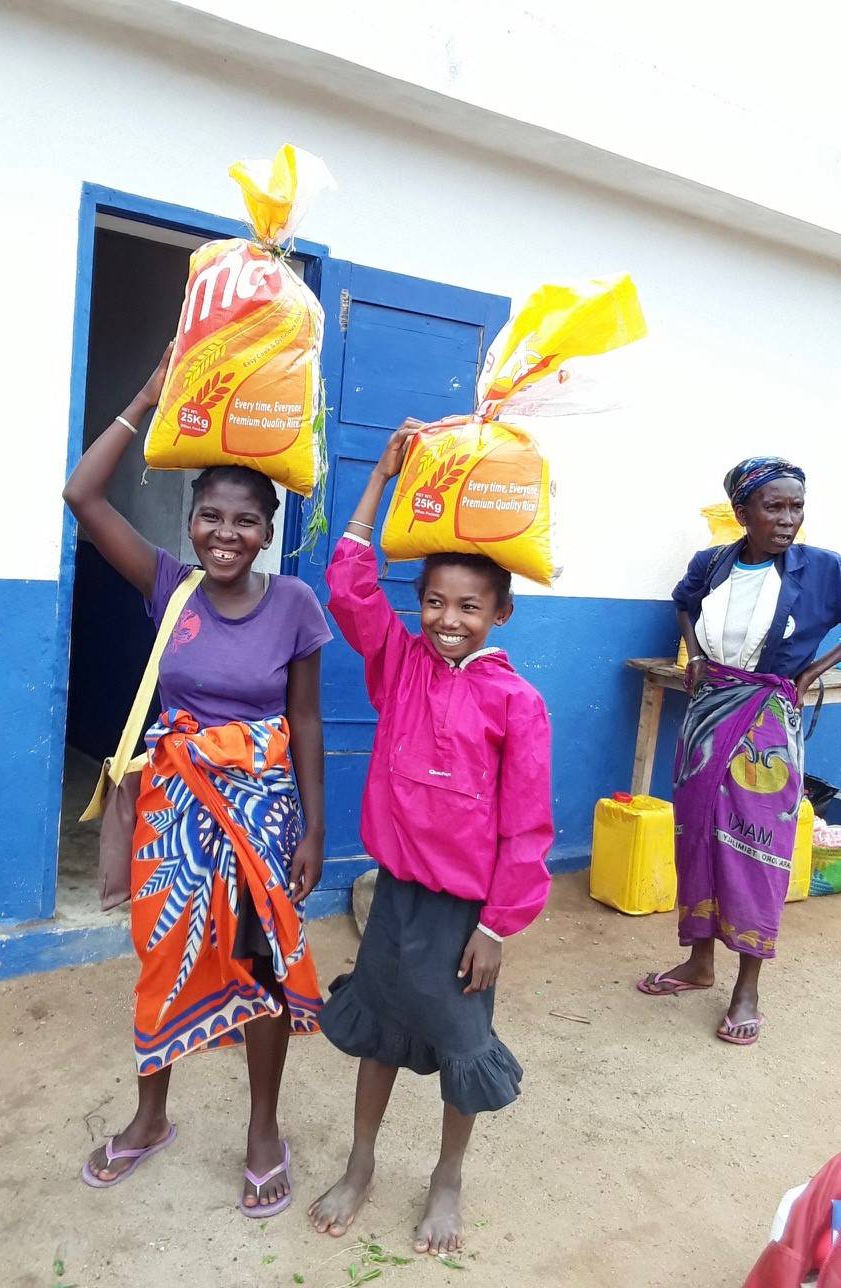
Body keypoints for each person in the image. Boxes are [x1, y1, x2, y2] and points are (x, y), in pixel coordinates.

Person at [63, 343, 332, 1213]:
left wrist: (318, 832)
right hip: (175, 813)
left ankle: (262, 1129)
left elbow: (307, 722)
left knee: (257, 967)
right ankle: (150, 1118)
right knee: (164, 955)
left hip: (261, 815)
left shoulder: (293, 603)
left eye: (245, 521)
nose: (225, 534)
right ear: (191, 522)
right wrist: (145, 394)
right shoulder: (167, 588)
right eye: (210, 516)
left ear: (268, 530)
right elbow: (82, 495)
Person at [308, 422, 553, 1255]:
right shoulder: (399, 662)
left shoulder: (516, 703)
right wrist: (379, 477)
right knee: (377, 1029)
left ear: (501, 612)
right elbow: (348, 587)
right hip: (397, 897)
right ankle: (363, 1159)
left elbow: (527, 827)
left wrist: (496, 928)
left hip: (464, 918)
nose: (448, 620)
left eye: (469, 606)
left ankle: (447, 1175)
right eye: (435, 603)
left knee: (459, 1049)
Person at [639, 456, 841, 1045]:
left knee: (758, 848)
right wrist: (695, 653)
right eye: (773, 507)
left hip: (768, 724)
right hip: (708, 717)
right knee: (697, 834)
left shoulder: (821, 569)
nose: (787, 520)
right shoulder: (712, 563)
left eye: (795, 506)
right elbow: (684, 600)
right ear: (741, 513)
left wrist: (812, 675)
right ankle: (700, 963)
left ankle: (747, 984)